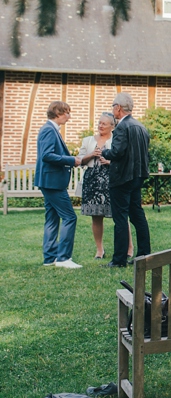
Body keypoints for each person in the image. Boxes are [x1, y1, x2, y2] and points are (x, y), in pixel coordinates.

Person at [35, 101, 101, 268]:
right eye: (67, 113)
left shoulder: (50, 130)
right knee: (70, 217)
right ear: (58, 113)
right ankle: (64, 258)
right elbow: (47, 156)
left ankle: (50, 258)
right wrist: (72, 160)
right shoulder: (49, 130)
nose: (69, 116)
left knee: (52, 218)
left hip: (49, 181)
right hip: (52, 182)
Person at [101, 92, 152, 268]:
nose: (112, 109)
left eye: (113, 106)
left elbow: (117, 152)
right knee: (138, 216)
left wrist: (104, 152)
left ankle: (119, 259)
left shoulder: (122, 127)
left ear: (118, 108)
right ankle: (144, 254)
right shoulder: (141, 126)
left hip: (122, 178)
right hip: (137, 177)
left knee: (120, 219)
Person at [79, 112, 133, 260]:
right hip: (92, 182)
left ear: (112, 126)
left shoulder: (117, 139)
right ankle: (99, 250)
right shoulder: (88, 140)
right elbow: (79, 160)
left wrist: (110, 162)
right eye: (99, 123)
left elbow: (124, 160)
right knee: (96, 216)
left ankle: (129, 247)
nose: (100, 126)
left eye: (104, 123)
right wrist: (91, 155)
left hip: (112, 180)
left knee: (120, 215)